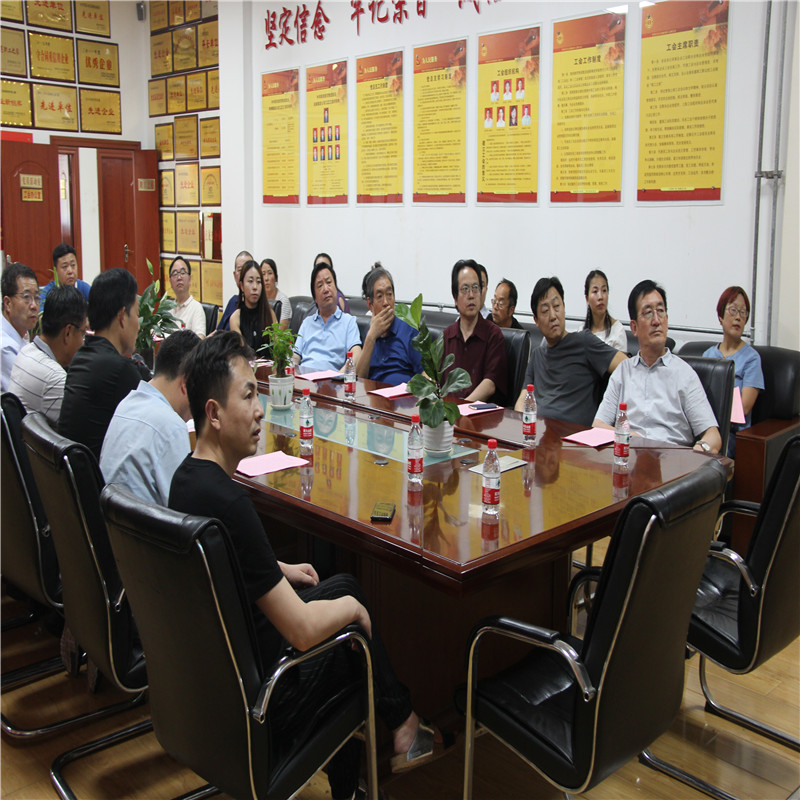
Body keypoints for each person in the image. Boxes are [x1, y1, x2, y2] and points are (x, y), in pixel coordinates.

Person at [169, 333, 448, 799]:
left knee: (341, 583)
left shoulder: (186, 480)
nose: (259, 410)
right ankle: (395, 733)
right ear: (213, 414)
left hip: (211, 689)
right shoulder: (232, 502)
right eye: (249, 396)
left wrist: (275, 566)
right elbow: (300, 630)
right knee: (352, 630)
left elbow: (222, 555)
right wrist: (355, 613)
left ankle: (397, 730)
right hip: (265, 698)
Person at [593, 280, 721, 453]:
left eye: (660, 311)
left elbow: (713, 436)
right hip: (629, 458)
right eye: (648, 313)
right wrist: (630, 437)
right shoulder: (623, 372)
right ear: (634, 327)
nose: (656, 320)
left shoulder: (684, 374)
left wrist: (699, 450)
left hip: (672, 461)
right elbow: (598, 425)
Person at [100, 329, 200, 505]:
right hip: (143, 522)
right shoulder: (171, 426)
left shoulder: (126, 404)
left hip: (112, 519)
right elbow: (184, 509)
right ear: (186, 382)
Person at [514, 276, 626, 426]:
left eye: (557, 306)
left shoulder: (584, 342)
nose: (553, 316)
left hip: (573, 436)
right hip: (538, 433)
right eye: (545, 311)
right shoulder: (537, 355)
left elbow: (627, 367)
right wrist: (524, 425)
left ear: (564, 307)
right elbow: (523, 399)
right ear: (536, 320)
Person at [59, 268, 141, 460]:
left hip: (71, 474)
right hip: (100, 476)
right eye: (137, 314)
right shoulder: (119, 370)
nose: (138, 324)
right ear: (122, 316)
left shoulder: (81, 357)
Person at [9, 286, 86, 425]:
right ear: (68, 332)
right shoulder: (54, 378)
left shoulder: (26, 351)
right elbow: (80, 430)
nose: (83, 341)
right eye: (82, 333)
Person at [702, 286, 763, 457]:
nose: (738, 317)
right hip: (705, 428)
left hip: (732, 434)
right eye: (733, 310)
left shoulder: (752, 359)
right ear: (721, 316)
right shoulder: (708, 355)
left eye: (743, 312)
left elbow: (744, 407)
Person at [443, 259, 507, 404]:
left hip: (479, 414)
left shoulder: (494, 335)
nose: (471, 295)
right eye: (465, 289)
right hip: (448, 412)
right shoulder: (446, 336)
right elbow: (432, 375)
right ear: (455, 297)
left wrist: (460, 409)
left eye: (475, 288)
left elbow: (490, 385)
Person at [356, 263, 422, 385]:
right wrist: (371, 337)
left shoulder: (409, 330)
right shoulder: (370, 335)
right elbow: (359, 379)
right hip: (372, 395)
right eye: (380, 296)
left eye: (389, 294)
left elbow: (425, 374)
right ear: (370, 304)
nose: (386, 302)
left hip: (402, 395)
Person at [294, 260, 361, 373]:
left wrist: (339, 376)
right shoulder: (307, 323)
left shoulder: (348, 321)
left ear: (336, 288)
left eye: (329, 283)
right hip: (304, 379)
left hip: (331, 380)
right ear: (315, 298)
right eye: (320, 286)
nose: (326, 289)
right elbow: (296, 356)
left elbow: (357, 353)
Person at [1, 262, 39, 393]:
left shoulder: (21, 332)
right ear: (8, 303)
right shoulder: (5, 348)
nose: (34, 306)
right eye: (26, 297)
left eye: (36, 297)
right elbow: (27, 394)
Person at [229, 260, 278, 352]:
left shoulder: (270, 314)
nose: (255, 287)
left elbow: (277, 351)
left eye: (259, 282)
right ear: (242, 286)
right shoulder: (235, 318)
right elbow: (242, 353)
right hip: (246, 361)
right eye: (250, 281)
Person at [583, 269, 627, 351]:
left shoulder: (617, 330)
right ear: (587, 298)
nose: (600, 297)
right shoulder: (581, 332)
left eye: (604, 291)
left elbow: (622, 359)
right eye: (595, 291)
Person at [39, 244, 91, 310]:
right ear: (56, 270)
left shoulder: (84, 288)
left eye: (73, 265)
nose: (70, 271)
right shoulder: (48, 292)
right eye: (65, 267)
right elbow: (41, 314)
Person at [168, 257, 206, 337]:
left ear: (190, 279)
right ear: (170, 281)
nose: (179, 278)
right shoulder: (167, 308)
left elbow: (200, 338)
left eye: (183, 273)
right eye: (175, 274)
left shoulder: (196, 308)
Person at [217, 250, 253, 331]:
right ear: (234, 275)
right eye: (240, 270)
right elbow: (218, 331)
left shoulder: (258, 308)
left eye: (247, 269)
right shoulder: (233, 301)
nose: (244, 274)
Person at [260, 258, 292, 330]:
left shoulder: (283, 301)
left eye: (270, 273)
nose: (266, 278)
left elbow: (281, 332)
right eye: (263, 274)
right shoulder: (259, 300)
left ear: (276, 277)